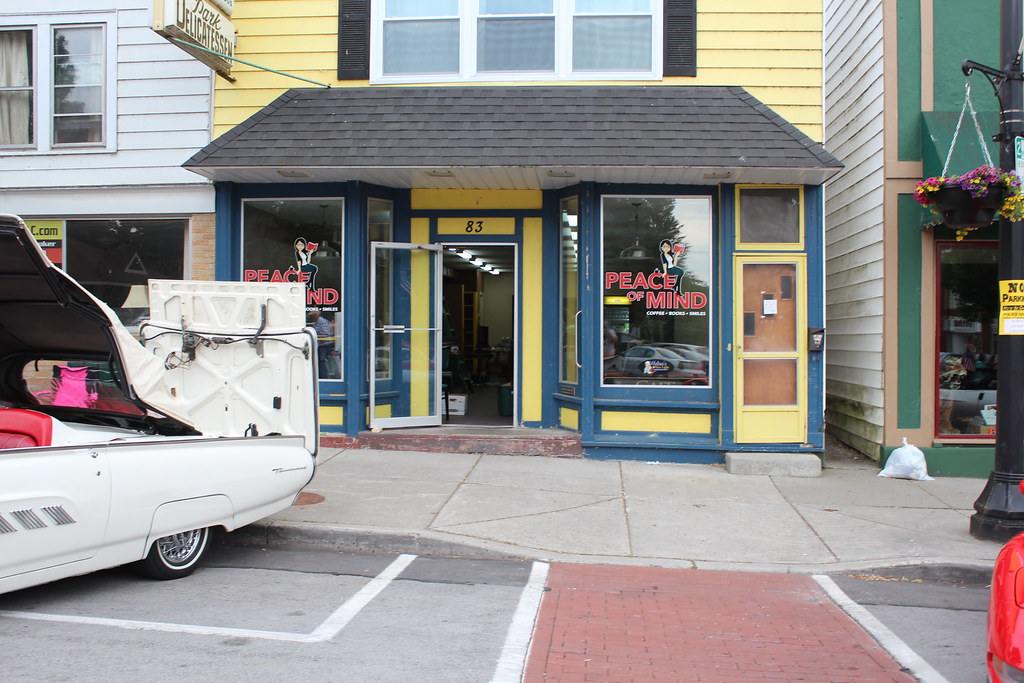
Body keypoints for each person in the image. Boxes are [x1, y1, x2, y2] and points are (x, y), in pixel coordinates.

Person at [309, 310, 335, 378]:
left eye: (312, 316)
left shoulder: (322, 322)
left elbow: (325, 333)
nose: (311, 318)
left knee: (322, 362)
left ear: (316, 315)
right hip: (320, 345)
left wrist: (316, 334)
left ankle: (324, 378)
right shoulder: (316, 322)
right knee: (319, 362)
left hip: (324, 345)